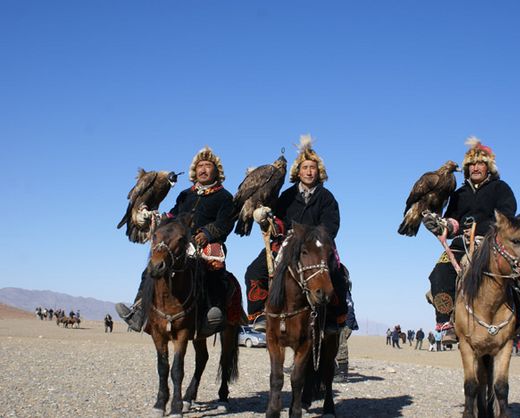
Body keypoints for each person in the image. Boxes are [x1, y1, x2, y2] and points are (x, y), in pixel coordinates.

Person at [116, 146, 235, 335]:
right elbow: (172, 215)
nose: (203, 169)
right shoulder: (185, 195)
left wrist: (207, 233)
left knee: (215, 273)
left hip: (208, 243)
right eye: (200, 166)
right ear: (194, 171)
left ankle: (210, 315)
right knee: (152, 267)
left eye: (208, 166)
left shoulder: (225, 197)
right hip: (181, 241)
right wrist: (154, 218)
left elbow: (226, 223)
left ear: (216, 171)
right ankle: (139, 310)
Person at [244, 135, 348, 332]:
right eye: (305, 168)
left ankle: (334, 319)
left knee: (337, 274)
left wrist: (310, 237)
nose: (309, 172)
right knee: (254, 271)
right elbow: (279, 219)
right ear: (298, 172)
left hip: (316, 246)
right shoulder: (287, 195)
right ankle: (260, 315)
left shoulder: (326, 198)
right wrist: (268, 220)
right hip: (288, 242)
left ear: (319, 171)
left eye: (312, 168)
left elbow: (331, 226)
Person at [423, 137, 518, 343]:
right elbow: (452, 219)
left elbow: (507, 214)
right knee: (438, 273)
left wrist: (485, 230)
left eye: (480, 163)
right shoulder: (459, 193)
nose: (475, 168)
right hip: (460, 246)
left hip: (492, 243)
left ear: (488, 167)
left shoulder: (500, 188)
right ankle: (446, 323)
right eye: (471, 164)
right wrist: (443, 226)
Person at [335, 277, 358, 383]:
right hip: (343, 323)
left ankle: (343, 375)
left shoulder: (344, 293)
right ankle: (335, 371)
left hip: (345, 324)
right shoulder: (344, 293)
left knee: (341, 346)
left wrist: (347, 326)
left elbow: (349, 311)